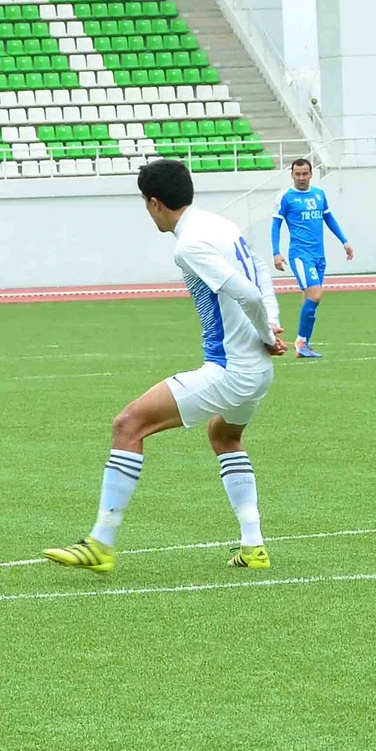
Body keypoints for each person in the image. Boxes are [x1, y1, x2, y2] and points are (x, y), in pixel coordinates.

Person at [44, 159, 283, 574]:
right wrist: (275, 324)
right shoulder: (219, 225)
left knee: (128, 424)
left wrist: (266, 331)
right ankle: (254, 546)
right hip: (258, 371)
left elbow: (246, 292)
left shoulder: (188, 245)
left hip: (231, 369)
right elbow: (260, 271)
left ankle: (100, 543)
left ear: (155, 203)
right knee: (224, 436)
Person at [271, 157, 352, 359]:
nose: (301, 177)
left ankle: (304, 345)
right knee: (316, 295)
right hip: (300, 254)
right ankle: (300, 342)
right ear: (291, 175)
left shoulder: (319, 194)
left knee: (310, 298)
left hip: (319, 255)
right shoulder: (286, 197)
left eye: (304, 173)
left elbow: (329, 218)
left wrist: (344, 241)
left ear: (310, 174)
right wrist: (276, 252)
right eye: (297, 174)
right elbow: (276, 225)